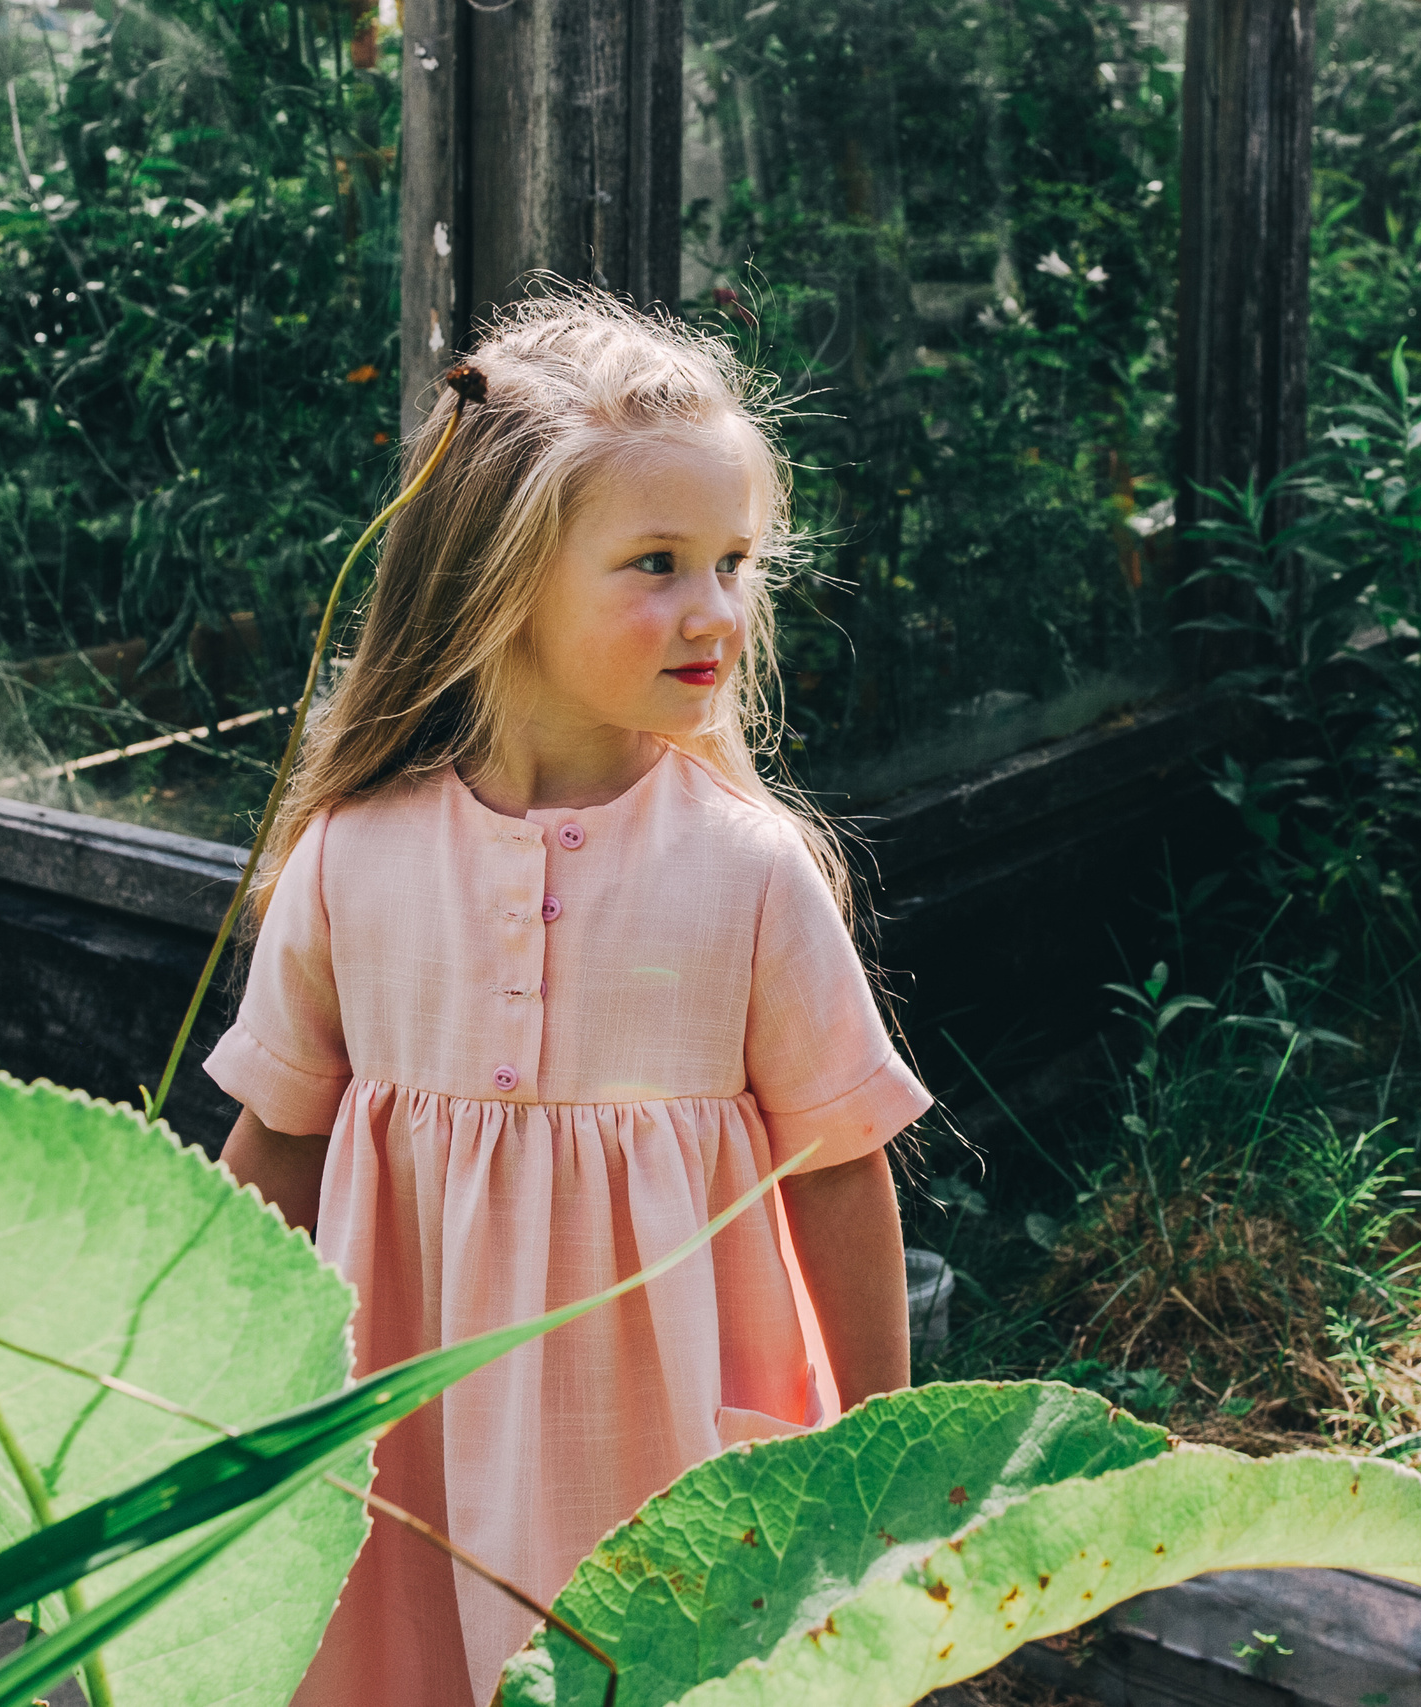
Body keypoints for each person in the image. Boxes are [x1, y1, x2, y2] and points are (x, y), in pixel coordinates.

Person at [210, 289, 932, 1707]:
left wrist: (887, 1455)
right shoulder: (352, 861)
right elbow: (275, 1147)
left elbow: (842, 1176)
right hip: (404, 1460)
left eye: (733, 561)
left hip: (667, 1466)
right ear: (501, 576)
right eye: (657, 562)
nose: (715, 609)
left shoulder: (749, 875)